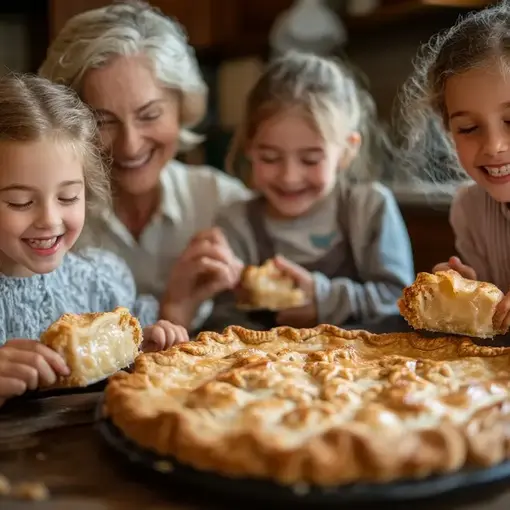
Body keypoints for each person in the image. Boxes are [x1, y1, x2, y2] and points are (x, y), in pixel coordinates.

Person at [39, 0, 250, 332]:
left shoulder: (225, 204)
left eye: (149, 115)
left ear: (184, 106)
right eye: (102, 120)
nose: (130, 145)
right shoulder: (45, 219)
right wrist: (173, 311)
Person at [0, 73, 188, 405]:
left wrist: (151, 349)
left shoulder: (103, 283)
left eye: (68, 197)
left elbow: (131, 371)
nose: (49, 220)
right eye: (20, 202)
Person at [205, 51, 415, 331]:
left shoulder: (368, 208)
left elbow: (402, 302)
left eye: (310, 159)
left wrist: (323, 299)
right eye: (269, 157)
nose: (290, 177)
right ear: (249, 148)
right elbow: (222, 320)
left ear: (347, 151)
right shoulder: (236, 223)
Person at [396, 0, 510, 333]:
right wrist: (467, 292)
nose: (494, 146)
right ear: (449, 133)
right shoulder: (470, 209)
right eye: (469, 128)